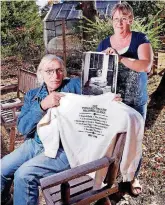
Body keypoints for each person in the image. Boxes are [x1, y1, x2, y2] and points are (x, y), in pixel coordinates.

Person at [1, 54, 122, 205]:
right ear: (41, 74)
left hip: (64, 149)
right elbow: (23, 127)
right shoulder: (33, 95)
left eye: (59, 70)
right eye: (49, 71)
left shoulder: (75, 86)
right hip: (36, 144)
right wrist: (42, 106)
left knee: (23, 175)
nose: (55, 75)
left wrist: (108, 98)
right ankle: (5, 200)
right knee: (2, 168)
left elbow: (98, 90)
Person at [97, 2, 154, 195]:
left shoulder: (140, 39)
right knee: (112, 140)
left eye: (123, 18)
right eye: (116, 19)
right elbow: (98, 73)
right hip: (115, 101)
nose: (119, 22)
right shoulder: (104, 43)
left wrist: (120, 59)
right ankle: (108, 177)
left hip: (136, 99)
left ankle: (132, 177)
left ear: (130, 19)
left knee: (134, 139)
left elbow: (145, 65)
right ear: (111, 21)